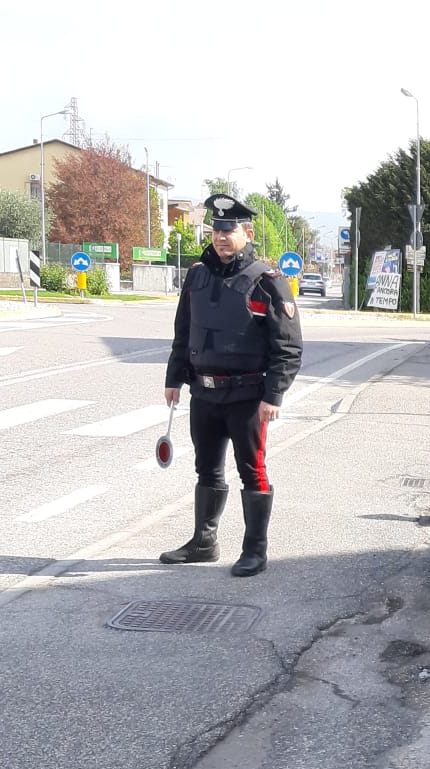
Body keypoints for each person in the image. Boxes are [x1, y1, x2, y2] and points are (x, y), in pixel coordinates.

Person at [160, 193, 303, 577]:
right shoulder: (197, 275)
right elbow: (183, 330)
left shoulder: (268, 283)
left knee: (251, 471)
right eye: (216, 229)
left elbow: (288, 347)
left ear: (247, 232)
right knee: (206, 470)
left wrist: (274, 395)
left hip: (247, 398)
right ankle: (203, 543)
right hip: (203, 393)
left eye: (228, 229)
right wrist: (174, 378)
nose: (221, 237)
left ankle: (255, 550)